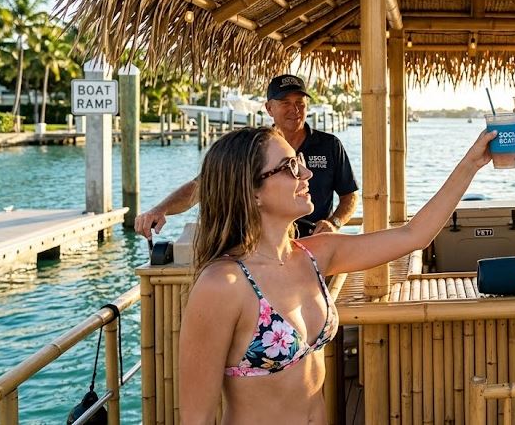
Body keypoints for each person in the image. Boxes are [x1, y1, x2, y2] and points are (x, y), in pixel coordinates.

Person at [179, 126, 495, 423]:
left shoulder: (313, 255)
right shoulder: (223, 284)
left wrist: (471, 164)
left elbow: (414, 235)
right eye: (290, 167)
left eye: (301, 162)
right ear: (252, 192)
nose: (307, 174)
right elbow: (196, 418)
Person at [134, 74, 359, 239]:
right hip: (263, 245)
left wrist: (334, 223)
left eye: (300, 103)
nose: (295, 109)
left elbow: (349, 195)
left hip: (315, 242)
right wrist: (160, 209)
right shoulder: (253, 146)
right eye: (286, 103)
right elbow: (204, 185)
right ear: (269, 108)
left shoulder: (330, 145)